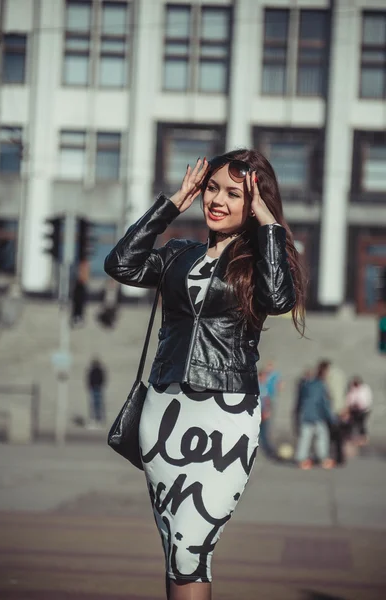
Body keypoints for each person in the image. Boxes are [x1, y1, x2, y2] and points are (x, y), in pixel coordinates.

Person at [104, 149, 306, 600]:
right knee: (177, 549)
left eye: (234, 193)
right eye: (211, 188)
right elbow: (121, 264)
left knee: (191, 550)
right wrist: (172, 203)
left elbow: (279, 300)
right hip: (165, 411)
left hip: (225, 416)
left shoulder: (258, 262)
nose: (216, 199)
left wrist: (268, 224)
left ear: (254, 201)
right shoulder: (179, 254)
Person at [295, 361, 335, 470]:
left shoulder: (305, 385)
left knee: (305, 438)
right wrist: (331, 418)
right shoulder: (320, 385)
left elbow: (300, 401)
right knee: (322, 436)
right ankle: (323, 459)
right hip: (317, 416)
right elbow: (323, 403)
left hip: (305, 415)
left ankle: (301, 459)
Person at [345, 376, 373, 446]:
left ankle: (363, 439)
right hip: (354, 410)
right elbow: (349, 399)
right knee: (353, 425)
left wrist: (362, 405)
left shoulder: (365, 389)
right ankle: (354, 439)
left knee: (362, 425)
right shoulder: (352, 388)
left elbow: (367, 399)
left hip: (363, 410)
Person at [258, 370, 276, 457]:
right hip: (258, 413)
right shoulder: (257, 387)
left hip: (264, 413)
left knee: (265, 432)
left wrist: (267, 410)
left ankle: (266, 449)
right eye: (263, 377)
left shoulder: (265, 387)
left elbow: (267, 400)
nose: (265, 379)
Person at [86, 358, 107, 426]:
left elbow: (102, 379)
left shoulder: (97, 370)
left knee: (98, 405)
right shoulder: (94, 370)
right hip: (95, 389)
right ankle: (95, 419)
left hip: (98, 388)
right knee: (94, 405)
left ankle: (99, 419)